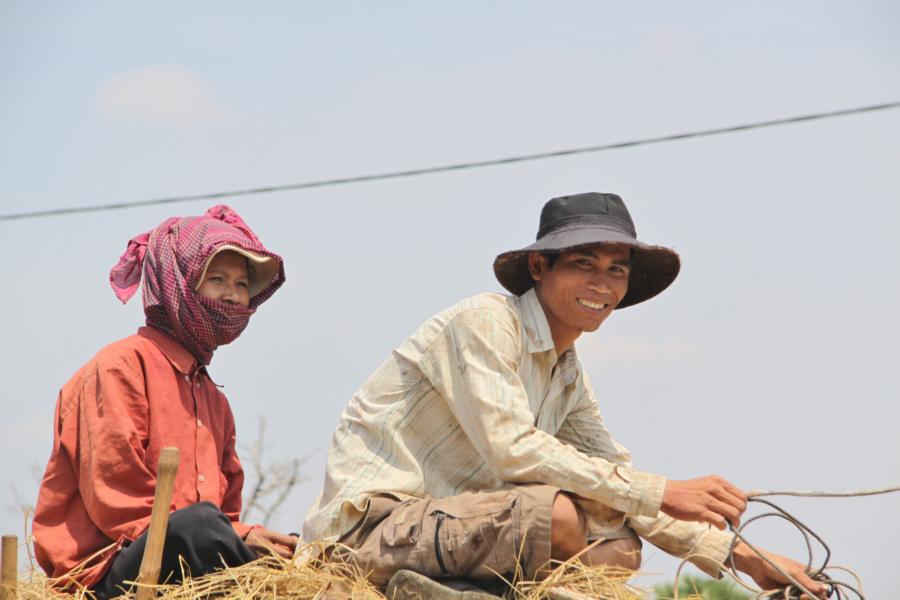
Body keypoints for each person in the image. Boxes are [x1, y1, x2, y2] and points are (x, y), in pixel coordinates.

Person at [303, 193, 828, 599]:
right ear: (540, 268)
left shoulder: (568, 375)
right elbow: (513, 448)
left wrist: (745, 559)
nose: (602, 283)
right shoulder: (485, 321)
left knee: (620, 546)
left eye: (616, 268)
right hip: (370, 533)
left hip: (463, 533)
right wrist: (661, 489)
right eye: (583, 263)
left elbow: (620, 485)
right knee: (557, 517)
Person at [33, 205, 297, 599]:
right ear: (178, 281)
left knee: (290, 552)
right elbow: (121, 507)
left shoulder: (215, 403)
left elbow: (224, 520)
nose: (232, 294)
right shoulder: (119, 368)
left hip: (186, 573)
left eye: (242, 285)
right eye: (218, 279)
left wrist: (253, 542)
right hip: (105, 580)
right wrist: (232, 538)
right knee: (199, 526)